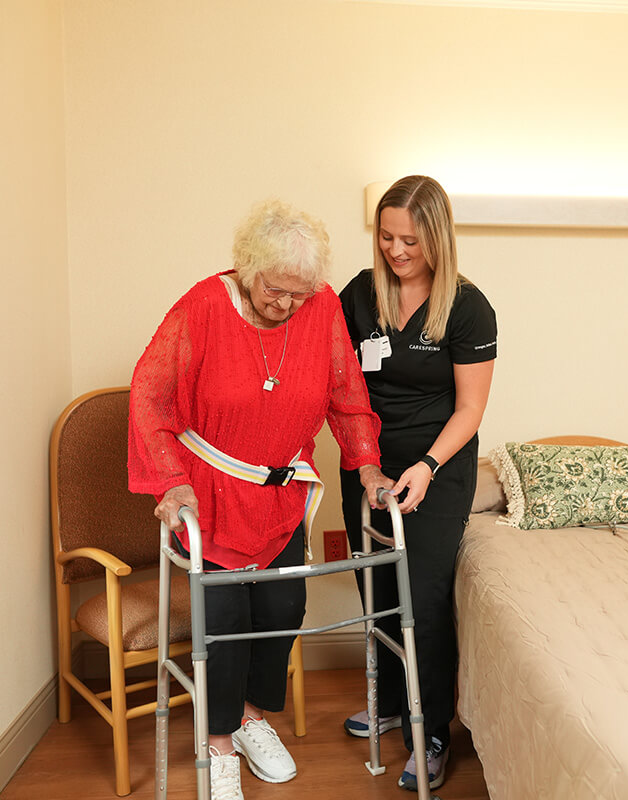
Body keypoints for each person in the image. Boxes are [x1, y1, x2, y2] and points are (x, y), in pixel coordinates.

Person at [128, 199, 391, 800]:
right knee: (223, 621)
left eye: (300, 294)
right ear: (247, 268)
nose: (288, 305)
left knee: (279, 610)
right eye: (277, 290)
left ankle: (248, 717)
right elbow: (150, 395)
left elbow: (347, 396)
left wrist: (368, 468)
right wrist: (171, 480)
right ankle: (217, 741)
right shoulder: (201, 308)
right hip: (210, 493)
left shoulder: (320, 308)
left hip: (280, 496)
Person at [339, 175, 497, 791]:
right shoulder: (360, 295)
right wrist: (364, 465)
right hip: (370, 465)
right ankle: (388, 704)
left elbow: (469, 408)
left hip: (437, 465)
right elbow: (334, 381)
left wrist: (427, 467)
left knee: (424, 599)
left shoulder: (467, 306)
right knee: (374, 586)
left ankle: (430, 731)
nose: (396, 251)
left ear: (437, 237)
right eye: (385, 237)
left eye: (409, 239)